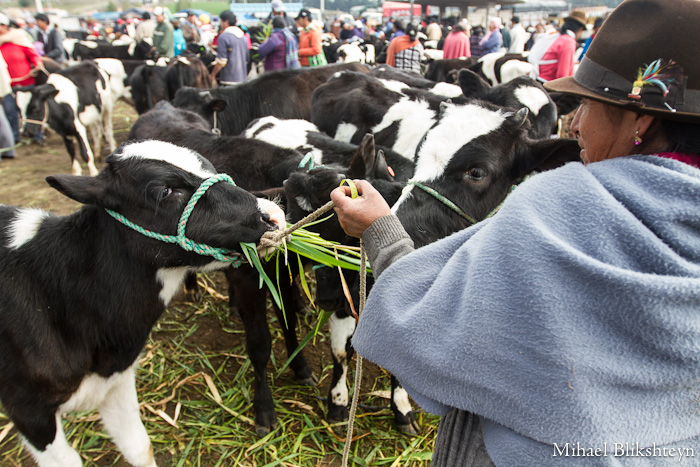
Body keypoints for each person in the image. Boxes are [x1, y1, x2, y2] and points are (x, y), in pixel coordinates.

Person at [329, 0, 700, 465]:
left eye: (587, 103)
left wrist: (380, 230)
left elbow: (430, 334)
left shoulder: (558, 211)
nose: (576, 123)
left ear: (639, 119)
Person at [0, 13, 41, 144]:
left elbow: (32, 54)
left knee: (32, 109)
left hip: (26, 82)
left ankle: (37, 135)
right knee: (10, 112)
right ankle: (14, 138)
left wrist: (37, 63)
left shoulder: (19, 38)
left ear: (4, 25)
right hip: (8, 85)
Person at [535, 10, 586, 82]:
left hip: (543, 80)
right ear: (580, 29)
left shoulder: (562, 38)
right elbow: (562, 75)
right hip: (548, 82)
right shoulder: (568, 41)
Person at [210, 11, 248, 85]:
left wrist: (212, 75)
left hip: (228, 80)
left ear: (226, 22)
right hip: (242, 79)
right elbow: (247, 58)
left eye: (221, 21)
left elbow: (221, 61)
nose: (220, 24)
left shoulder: (224, 37)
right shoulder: (243, 37)